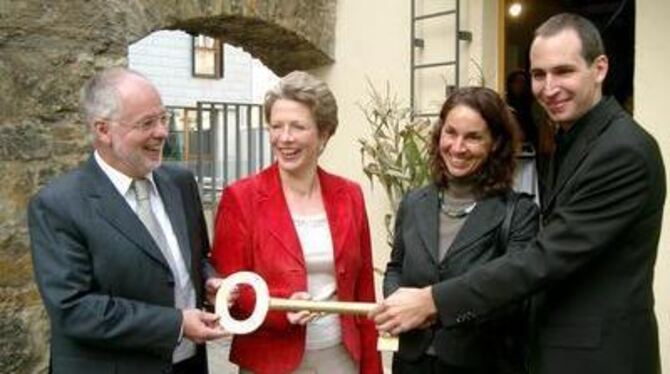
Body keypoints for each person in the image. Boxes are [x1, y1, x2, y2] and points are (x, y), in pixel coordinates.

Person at [371, 13, 665, 374]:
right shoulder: (572, 138)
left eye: (564, 71)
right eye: (539, 74)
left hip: (597, 358)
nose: (548, 86)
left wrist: (434, 300)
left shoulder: (621, 151)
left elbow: (543, 258)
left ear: (599, 68)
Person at [28, 67, 229, 374]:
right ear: (103, 130)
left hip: (189, 364)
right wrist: (175, 324)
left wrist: (209, 282)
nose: (162, 132)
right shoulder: (58, 205)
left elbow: (196, 258)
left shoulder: (181, 183)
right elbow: (74, 309)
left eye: (163, 118)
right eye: (147, 123)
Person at [210, 71, 382, 374]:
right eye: (276, 126)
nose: (284, 138)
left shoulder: (350, 195)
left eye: (298, 127)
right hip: (270, 360)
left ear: (325, 133)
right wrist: (280, 307)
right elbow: (230, 293)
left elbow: (363, 289)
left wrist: (372, 368)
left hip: (341, 359)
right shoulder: (241, 198)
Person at [382, 86, 539, 374]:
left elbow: (514, 296)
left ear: (495, 143)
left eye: (473, 137)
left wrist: (432, 309)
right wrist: (397, 306)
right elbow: (396, 268)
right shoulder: (414, 203)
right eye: (450, 132)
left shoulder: (519, 213)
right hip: (411, 363)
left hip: (482, 364)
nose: (457, 147)